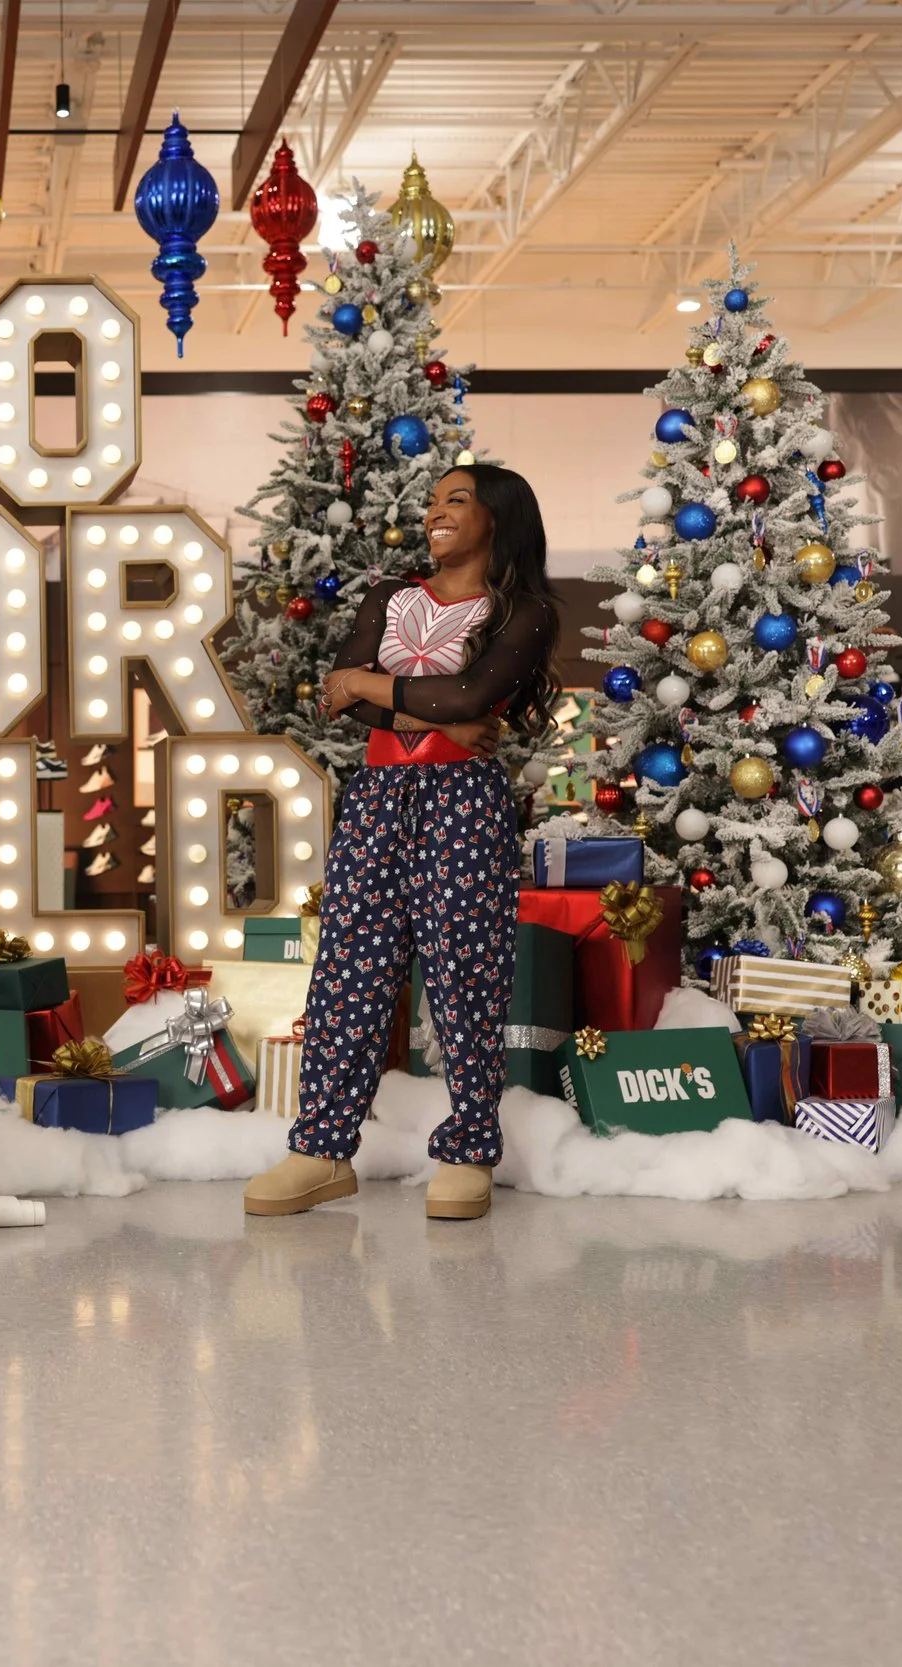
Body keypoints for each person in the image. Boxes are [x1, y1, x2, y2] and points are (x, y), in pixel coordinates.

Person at [243, 463, 560, 1223]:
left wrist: (385, 692)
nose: (435, 513)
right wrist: (436, 714)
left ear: (498, 519)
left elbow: (471, 697)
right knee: (349, 966)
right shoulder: (391, 597)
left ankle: (467, 1150)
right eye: (433, 501)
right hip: (378, 797)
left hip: (464, 801)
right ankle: (321, 1149)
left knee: (464, 973)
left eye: (458, 500)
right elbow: (337, 689)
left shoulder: (525, 610)